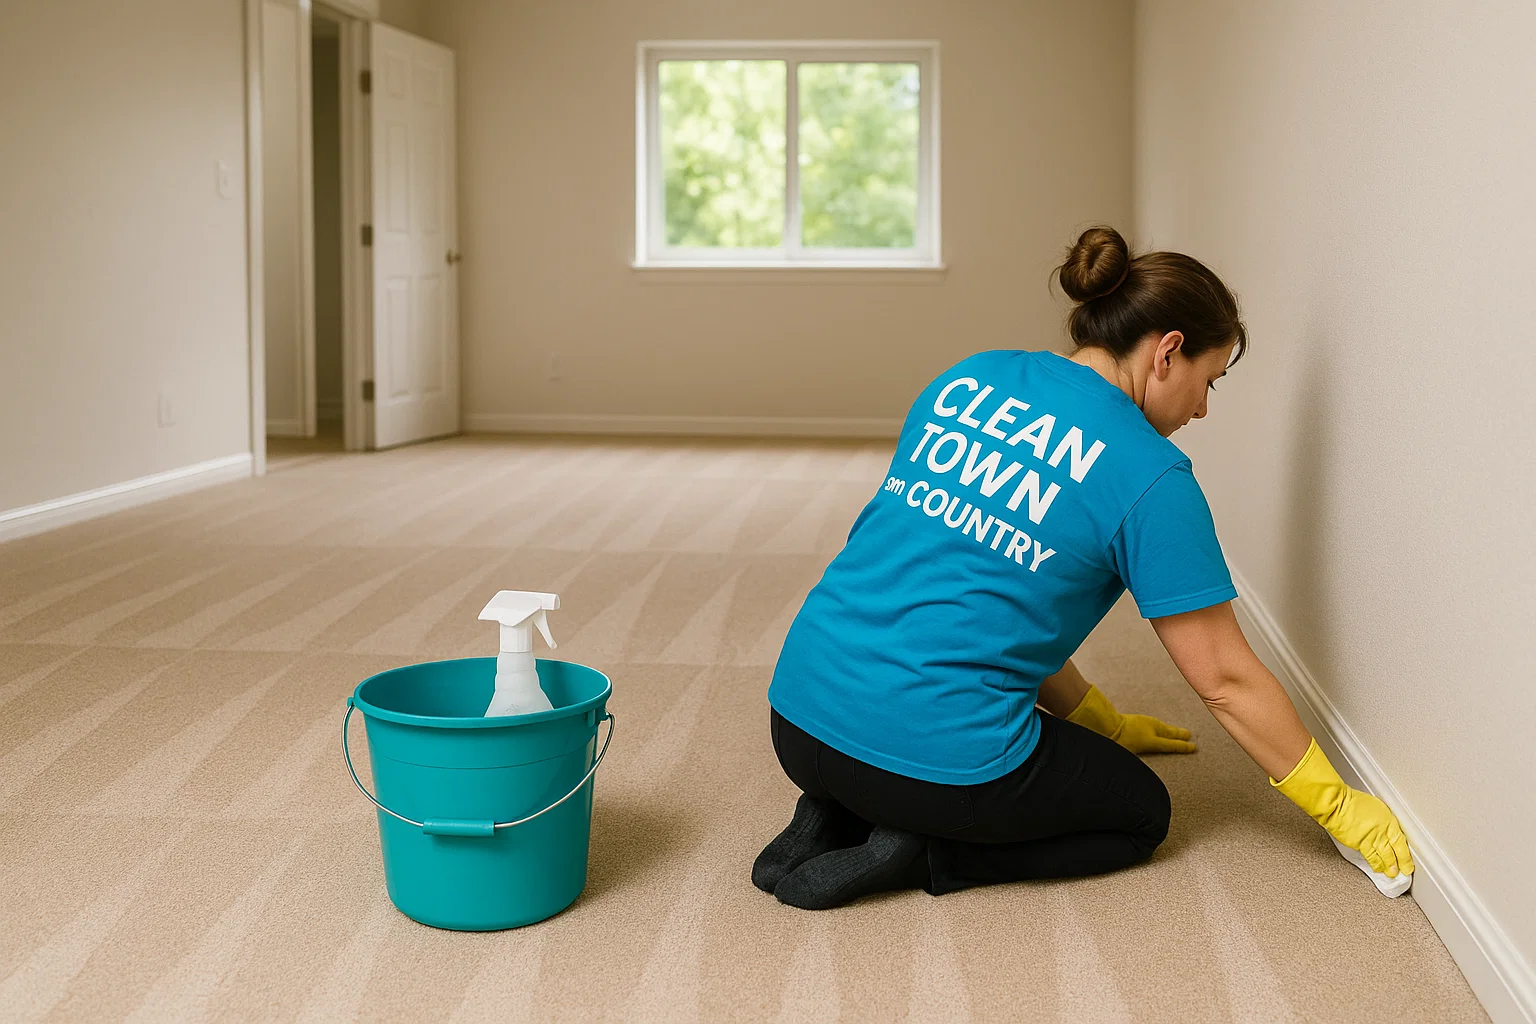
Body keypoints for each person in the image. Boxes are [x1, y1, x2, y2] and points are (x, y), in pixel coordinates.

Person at [755, 226, 1414, 911]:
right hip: (928, 760)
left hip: (797, 721)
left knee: (935, 724)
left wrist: (1099, 715)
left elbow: (985, 592)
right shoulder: (1150, 476)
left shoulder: (971, 377)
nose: (1203, 408)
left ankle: (836, 808)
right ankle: (918, 846)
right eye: (1208, 381)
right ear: (1168, 352)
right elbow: (1223, 678)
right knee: (1138, 814)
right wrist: (1340, 808)